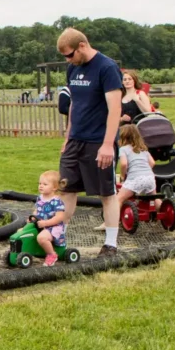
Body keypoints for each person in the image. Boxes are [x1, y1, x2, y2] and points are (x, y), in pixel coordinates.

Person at [56, 28, 123, 258]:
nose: (68, 60)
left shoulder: (107, 68)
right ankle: (58, 236)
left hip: (98, 140)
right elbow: (74, 104)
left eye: (70, 54)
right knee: (66, 188)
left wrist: (107, 144)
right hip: (76, 140)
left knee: (106, 192)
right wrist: (68, 136)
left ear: (82, 45)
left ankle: (111, 244)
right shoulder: (73, 68)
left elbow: (115, 108)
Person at [30, 171, 67, 267]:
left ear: (54, 187)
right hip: (41, 224)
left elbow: (60, 217)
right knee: (22, 231)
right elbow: (36, 210)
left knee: (41, 237)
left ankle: (52, 254)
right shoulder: (40, 198)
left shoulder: (56, 201)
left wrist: (46, 223)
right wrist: (32, 218)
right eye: (40, 183)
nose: (41, 186)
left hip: (53, 227)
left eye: (45, 184)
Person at [117, 124, 158, 208]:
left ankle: (113, 219)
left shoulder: (123, 149)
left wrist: (122, 176)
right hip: (150, 178)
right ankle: (162, 211)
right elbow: (153, 163)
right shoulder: (142, 149)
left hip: (135, 179)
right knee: (154, 198)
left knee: (118, 199)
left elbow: (124, 164)